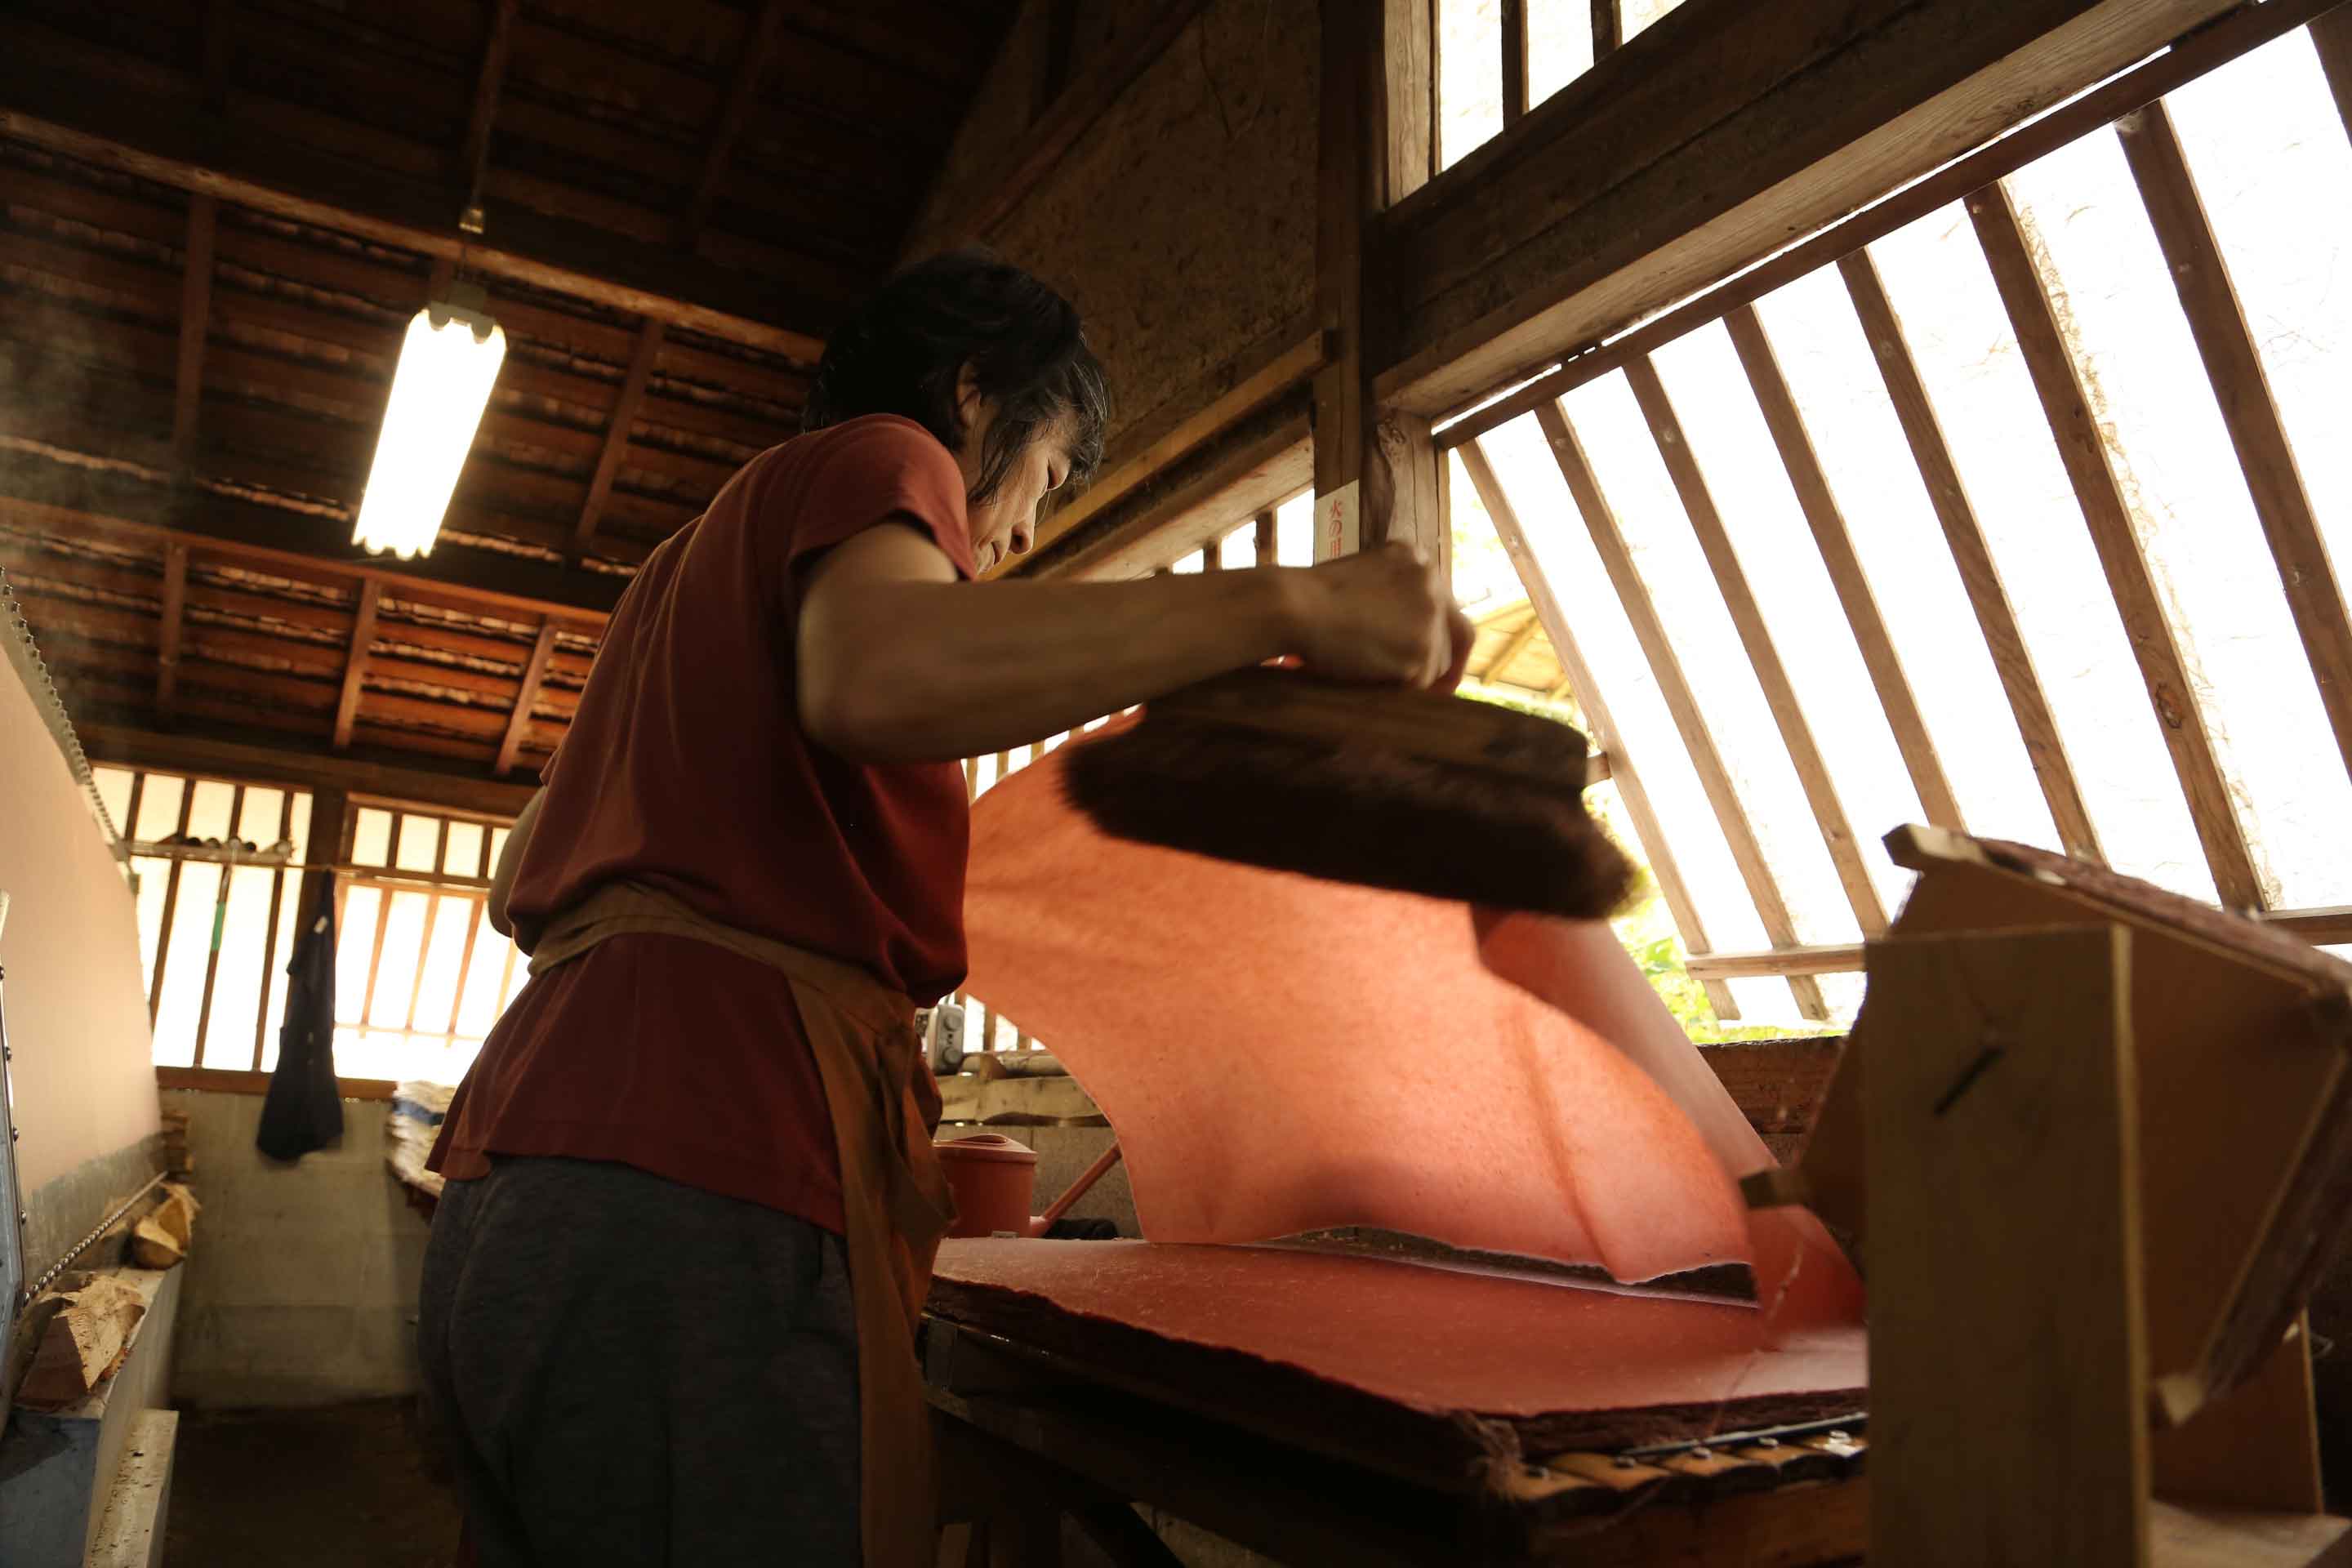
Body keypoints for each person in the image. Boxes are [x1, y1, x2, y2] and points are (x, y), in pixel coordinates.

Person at [416, 249, 1471, 1567]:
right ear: (978, 397)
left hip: (523, 1180)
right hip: (699, 1188)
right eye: (1047, 474)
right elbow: (879, 677)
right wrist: (1290, 598)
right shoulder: (884, 458)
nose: (1024, 532)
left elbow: (525, 864)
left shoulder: (687, 575)